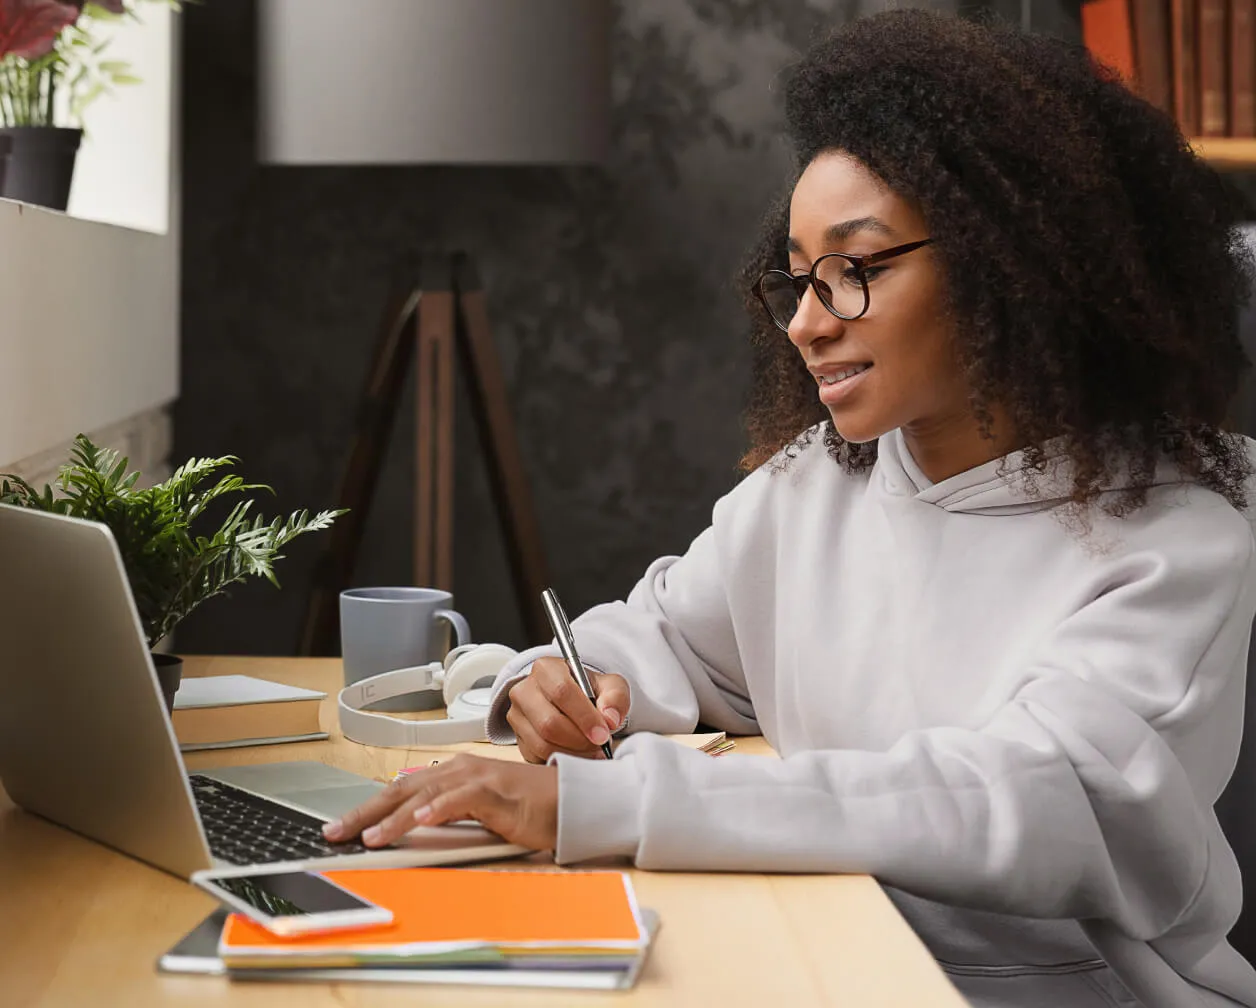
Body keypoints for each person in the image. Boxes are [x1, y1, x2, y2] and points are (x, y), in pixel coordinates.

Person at [324, 10, 1256, 1006]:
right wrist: (571, 677)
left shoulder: (1175, 539)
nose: (808, 323)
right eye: (798, 279)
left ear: (1008, 263)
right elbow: (672, 640)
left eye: (855, 270)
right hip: (825, 955)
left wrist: (606, 801)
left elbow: (1017, 796)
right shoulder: (815, 481)